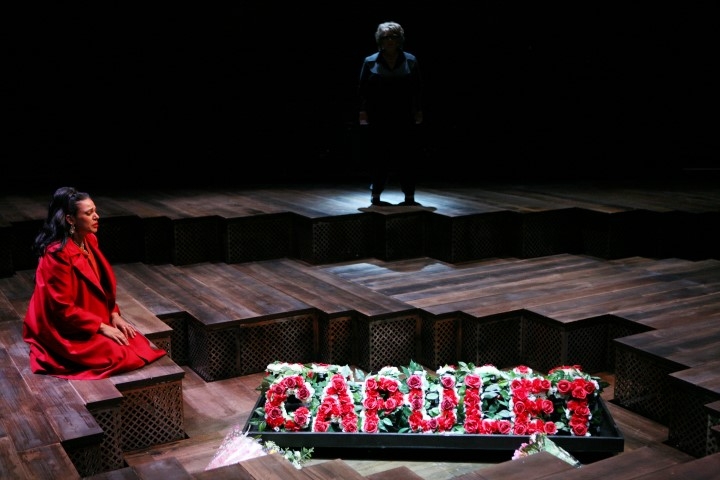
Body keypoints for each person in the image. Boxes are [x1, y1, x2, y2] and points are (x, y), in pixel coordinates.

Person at [22, 186, 167, 380]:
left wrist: (113, 314)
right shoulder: (56, 255)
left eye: (95, 211)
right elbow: (62, 309)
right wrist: (101, 326)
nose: (96, 216)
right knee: (118, 355)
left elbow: (101, 285)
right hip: (64, 326)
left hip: (90, 316)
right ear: (70, 220)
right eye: (89, 213)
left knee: (134, 341)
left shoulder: (89, 240)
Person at [358, 21, 424, 207]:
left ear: (399, 39)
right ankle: (376, 194)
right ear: (380, 39)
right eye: (386, 37)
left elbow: (418, 88)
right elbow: (362, 90)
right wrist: (363, 112)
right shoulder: (370, 61)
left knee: (407, 157)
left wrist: (418, 110)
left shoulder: (410, 60)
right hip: (379, 116)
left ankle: (409, 195)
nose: (390, 41)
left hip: (404, 116)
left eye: (394, 37)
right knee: (380, 156)